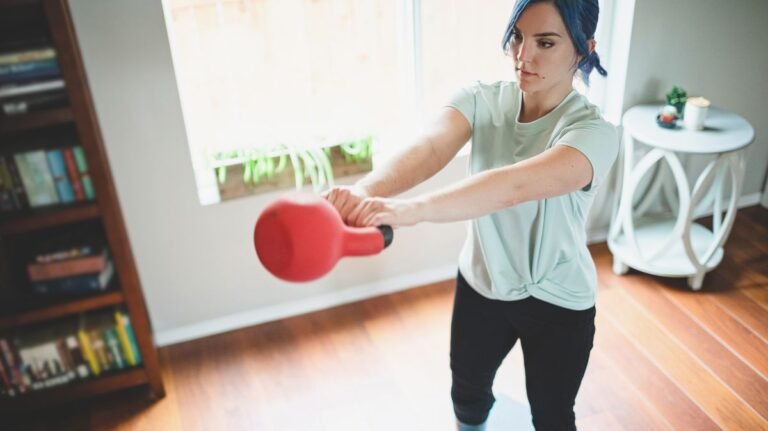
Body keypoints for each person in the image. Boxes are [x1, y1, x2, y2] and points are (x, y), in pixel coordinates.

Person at [322, 0, 618, 429]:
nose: (523, 55)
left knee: (552, 416)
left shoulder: (593, 133)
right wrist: (362, 194)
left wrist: (409, 211)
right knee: (467, 394)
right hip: (484, 283)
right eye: (517, 36)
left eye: (545, 42)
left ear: (583, 49)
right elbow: (430, 147)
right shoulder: (481, 100)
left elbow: (512, 187)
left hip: (559, 300)